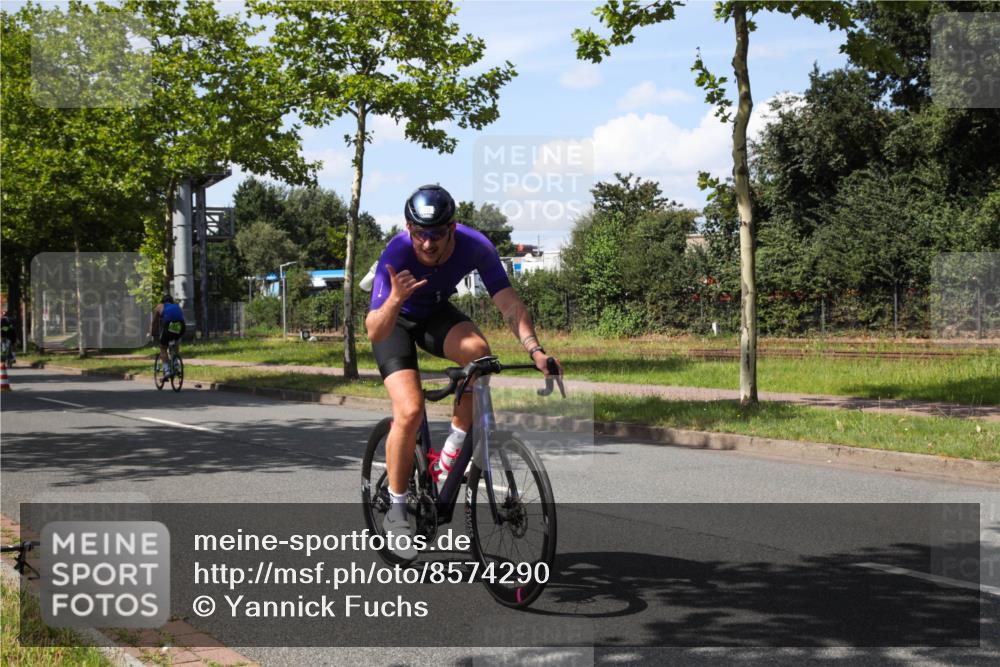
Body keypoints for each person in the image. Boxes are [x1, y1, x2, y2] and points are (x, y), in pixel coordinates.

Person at [366, 184, 563, 557]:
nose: (427, 243)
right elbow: (375, 328)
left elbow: (508, 302)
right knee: (409, 410)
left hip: (435, 313)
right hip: (394, 320)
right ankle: (395, 511)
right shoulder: (397, 251)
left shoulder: (476, 246)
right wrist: (394, 298)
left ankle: (450, 455)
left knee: (480, 358)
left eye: (436, 234)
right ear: (409, 229)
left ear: (452, 227)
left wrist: (535, 350)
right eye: (420, 233)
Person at [150, 295, 186, 377]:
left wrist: (152, 333)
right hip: (181, 325)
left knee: (163, 347)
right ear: (172, 301)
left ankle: (166, 370)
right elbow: (181, 317)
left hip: (169, 325)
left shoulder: (159, 306)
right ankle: (176, 363)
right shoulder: (177, 306)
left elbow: (154, 323)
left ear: (162, 301)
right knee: (175, 341)